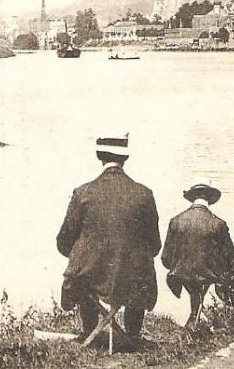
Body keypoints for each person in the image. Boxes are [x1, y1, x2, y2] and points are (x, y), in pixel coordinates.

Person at [56, 135, 161, 344]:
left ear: (100, 157)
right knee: (141, 270)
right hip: (133, 275)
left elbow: (64, 241)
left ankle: (89, 332)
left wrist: (85, 255)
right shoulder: (144, 194)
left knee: (82, 271)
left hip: (90, 274)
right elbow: (154, 245)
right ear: (125, 159)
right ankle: (132, 334)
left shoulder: (83, 192)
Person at [161, 180, 234, 326]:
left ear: (192, 199)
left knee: (194, 288)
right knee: (212, 280)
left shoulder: (175, 221)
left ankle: (195, 318)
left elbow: (165, 258)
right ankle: (223, 316)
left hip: (180, 274)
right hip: (207, 275)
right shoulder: (218, 223)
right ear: (210, 199)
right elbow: (232, 257)